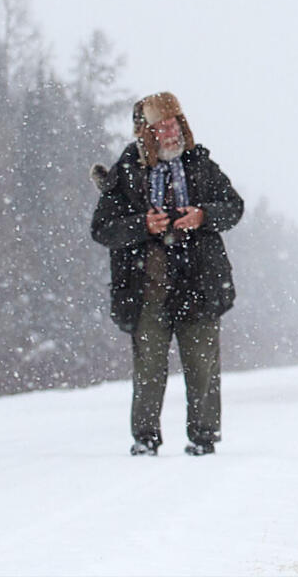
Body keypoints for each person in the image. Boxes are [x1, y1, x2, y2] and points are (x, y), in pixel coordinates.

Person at [90, 92, 243, 456]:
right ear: (147, 132)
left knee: (203, 365)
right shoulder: (127, 171)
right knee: (149, 367)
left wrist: (203, 216)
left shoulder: (201, 164)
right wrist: (142, 225)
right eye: (163, 126)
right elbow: (102, 229)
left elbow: (233, 207)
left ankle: (204, 438)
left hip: (199, 283)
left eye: (175, 124)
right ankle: (145, 439)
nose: (172, 132)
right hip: (147, 287)